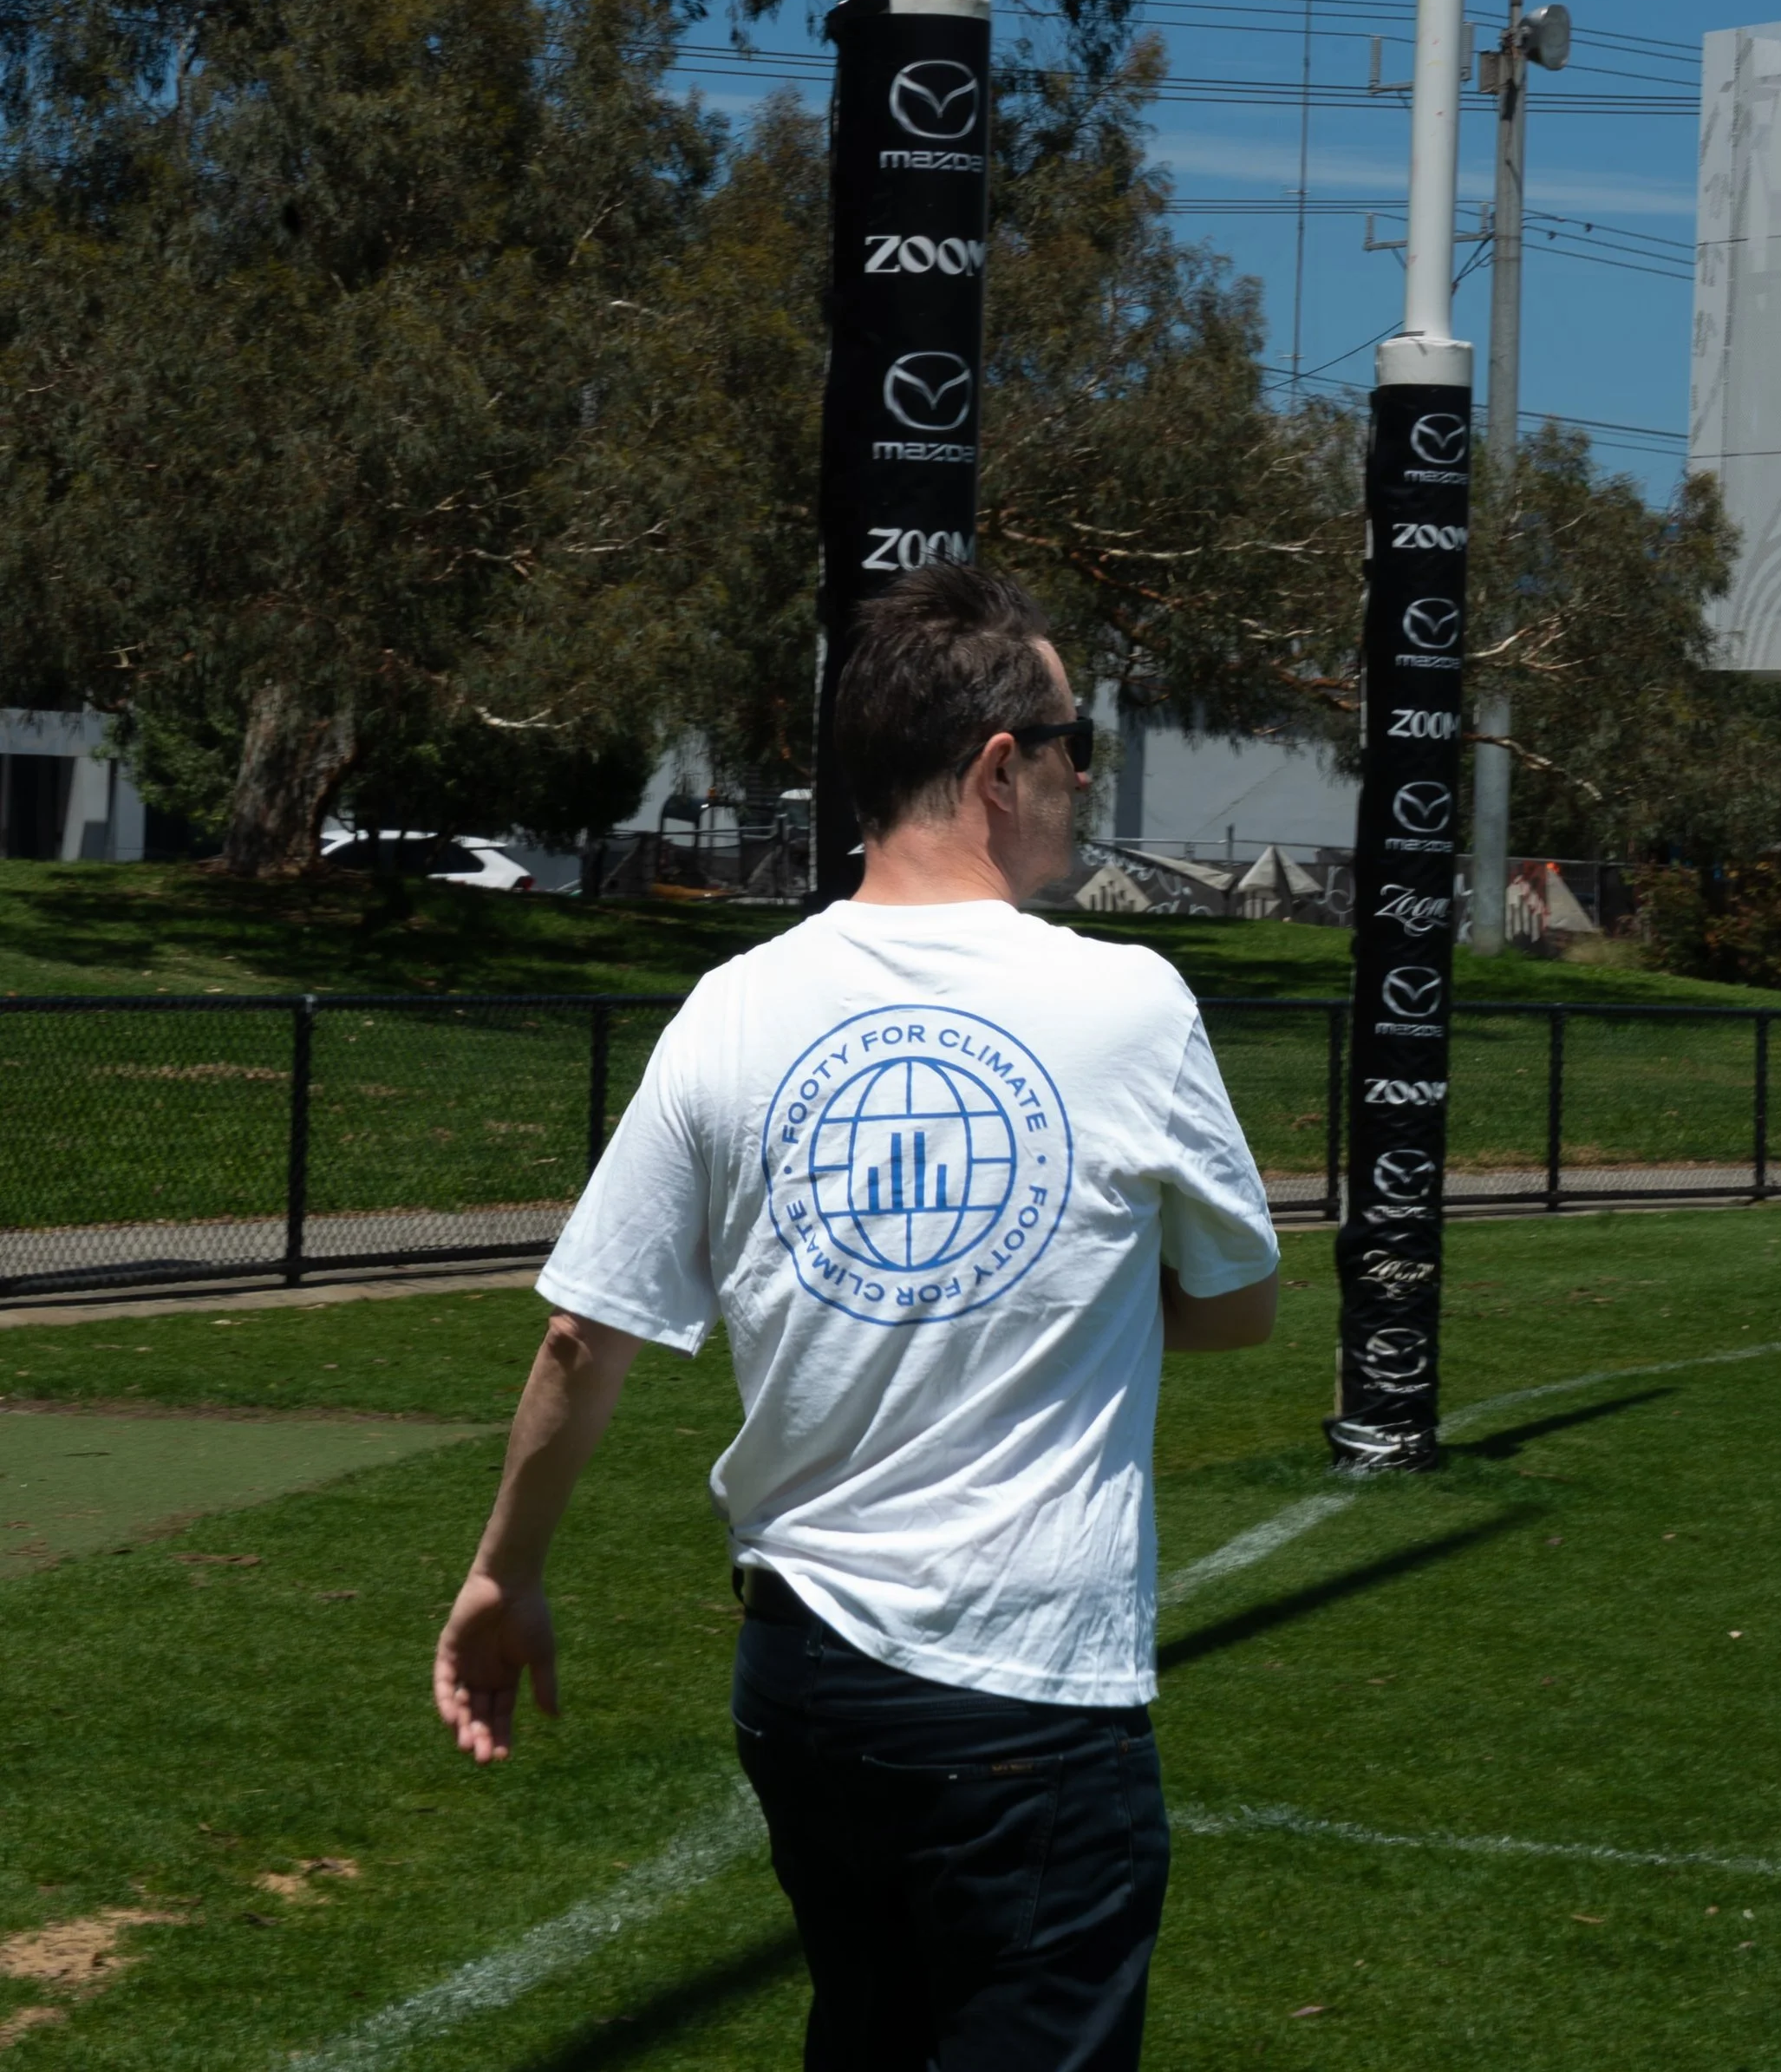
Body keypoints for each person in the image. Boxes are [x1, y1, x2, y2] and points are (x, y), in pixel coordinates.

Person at [433, 564, 1280, 2070]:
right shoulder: (1133, 1005)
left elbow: (585, 1332)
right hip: (1022, 1688)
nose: (1090, 777)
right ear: (1001, 766)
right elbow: (1236, 1305)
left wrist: (505, 1573)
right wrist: (1060, 1297)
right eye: (1078, 743)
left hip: (801, 1680)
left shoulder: (735, 1003)